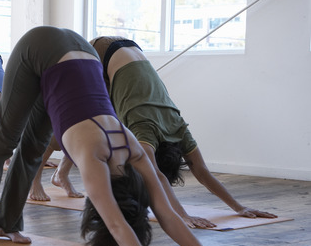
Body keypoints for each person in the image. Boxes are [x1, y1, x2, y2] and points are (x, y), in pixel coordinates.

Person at [0, 26, 263, 246]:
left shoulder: (135, 151)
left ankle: (4, 223)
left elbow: (167, 215)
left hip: (84, 54)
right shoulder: (95, 157)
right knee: (3, 141)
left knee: (33, 145)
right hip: (39, 46)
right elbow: (116, 223)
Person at [79, 36, 276, 228]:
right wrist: (182, 215)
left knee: (99, 119)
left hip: (127, 48)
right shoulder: (145, 130)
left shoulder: (179, 128)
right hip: (102, 52)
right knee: (88, 116)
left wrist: (239, 207)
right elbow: (158, 175)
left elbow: (201, 172)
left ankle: (61, 173)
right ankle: (60, 171)